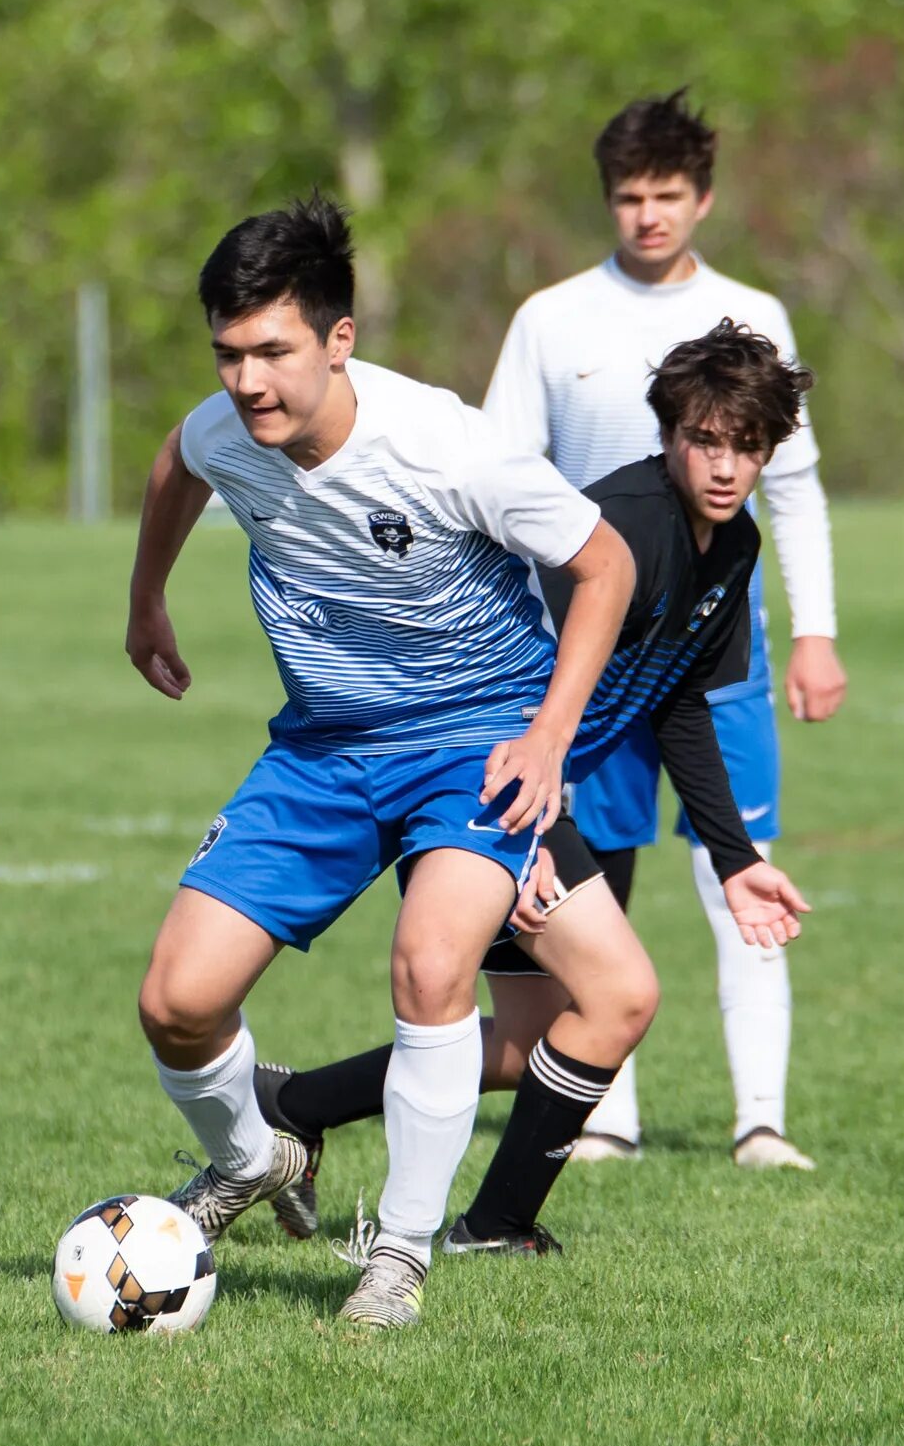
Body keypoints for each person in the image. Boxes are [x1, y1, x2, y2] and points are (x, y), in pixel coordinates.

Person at [124, 195, 634, 1328]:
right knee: (177, 1002)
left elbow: (605, 566)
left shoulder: (447, 447)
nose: (248, 381)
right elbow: (176, 462)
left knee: (431, 962)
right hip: (320, 749)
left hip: (473, 741)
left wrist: (548, 736)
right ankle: (257, 1160)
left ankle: (399, 1255)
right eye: (227, 353)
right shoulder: (225, 430)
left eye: (273, 352)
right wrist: (146, 595)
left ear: (338, 339)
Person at [259, 324, 816, 1252]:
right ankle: (492, 1222)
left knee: (529, 1041)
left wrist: (733, 859)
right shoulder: (619, 530)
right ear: (670, 433)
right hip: (481, 771)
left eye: (748, 446)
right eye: (707, 440)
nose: (726, 465)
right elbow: (508, 677)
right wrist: (504, 847)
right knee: (618, 1000)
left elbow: (676, 703)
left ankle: (295, 1102)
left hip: (523, 792)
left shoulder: (732, 546)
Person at [482, 89, 846, 1171]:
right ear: (607, 200)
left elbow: (797, 487)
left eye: (669, 196)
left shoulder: (756, 315)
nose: (648, 216)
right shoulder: (552, 317)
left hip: (713, 626)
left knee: (739, 853)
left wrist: (817, 631)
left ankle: (761, 1119)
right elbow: (501, 479)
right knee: (604, 863)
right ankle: (606, 1113)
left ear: (705, 198)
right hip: (581, 641)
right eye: (629, 197)